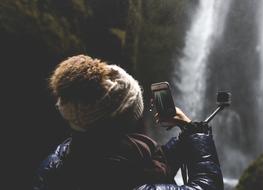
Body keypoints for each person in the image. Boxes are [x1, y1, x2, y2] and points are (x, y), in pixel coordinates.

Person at [33, 55, 224, 190]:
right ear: (125, 120)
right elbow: (207, 186)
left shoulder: (56, 163)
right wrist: (193, 130)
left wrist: (186, 135)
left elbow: (148, 164)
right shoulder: (133, 179)